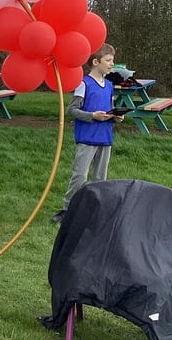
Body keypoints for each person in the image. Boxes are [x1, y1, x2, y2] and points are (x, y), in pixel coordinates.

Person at [50, 43, 125, 224]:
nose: (111, 64)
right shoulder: (83, 84)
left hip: (105, 137)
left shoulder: (109, 85)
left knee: (100, 178)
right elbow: (72, 110)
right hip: (87, 138)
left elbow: (108, 109)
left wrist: (115, 117)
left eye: (112, 61)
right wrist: (92, 116)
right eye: (108, 60)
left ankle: (96, 209)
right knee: (80, 176)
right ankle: (68, 209)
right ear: (95, 61)